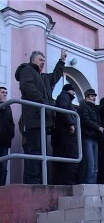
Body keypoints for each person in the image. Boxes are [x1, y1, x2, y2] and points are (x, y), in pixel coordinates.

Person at [15, 49, 67, 184]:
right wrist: (43, 102)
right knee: (34, 153)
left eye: (44, 61)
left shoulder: (43, 78)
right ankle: (33, 184)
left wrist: (61, 61)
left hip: (43, 121)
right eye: (40, 60)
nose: (43, 62)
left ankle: (38, 182)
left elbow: (55, 75)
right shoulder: (27, 70)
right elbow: (28, 87)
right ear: (33, 61)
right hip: (33, 120)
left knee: (41, 153)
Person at [78, 88, 104, 184]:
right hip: (87, 138)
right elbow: (86, 120)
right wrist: (97, 127)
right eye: (92, 96)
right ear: (86, 97)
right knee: (90, 164)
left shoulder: (95, 108)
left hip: (95, 138)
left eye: (95, 96)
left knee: (95, 166)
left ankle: (93, 184)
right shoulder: (83, 107)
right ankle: (89, 184)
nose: (94, 98)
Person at [53, 84, 78, 185]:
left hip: (65, 134)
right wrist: (70, 124)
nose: (74, 93)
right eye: (73, 91)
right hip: (66, 134)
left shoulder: (65, 98)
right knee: (68, 159)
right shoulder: (64, 96)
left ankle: (67, 181)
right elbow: (63, 109)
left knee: (68, 159)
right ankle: (67, 183)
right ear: (69, 90)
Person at [0, 87, 15, 186]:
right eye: (2, 92)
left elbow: (11, 124)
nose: (5, 94)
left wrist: (10, 136)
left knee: (3, 168)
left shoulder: (8, 107)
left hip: (4, 142)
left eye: (6, 92)